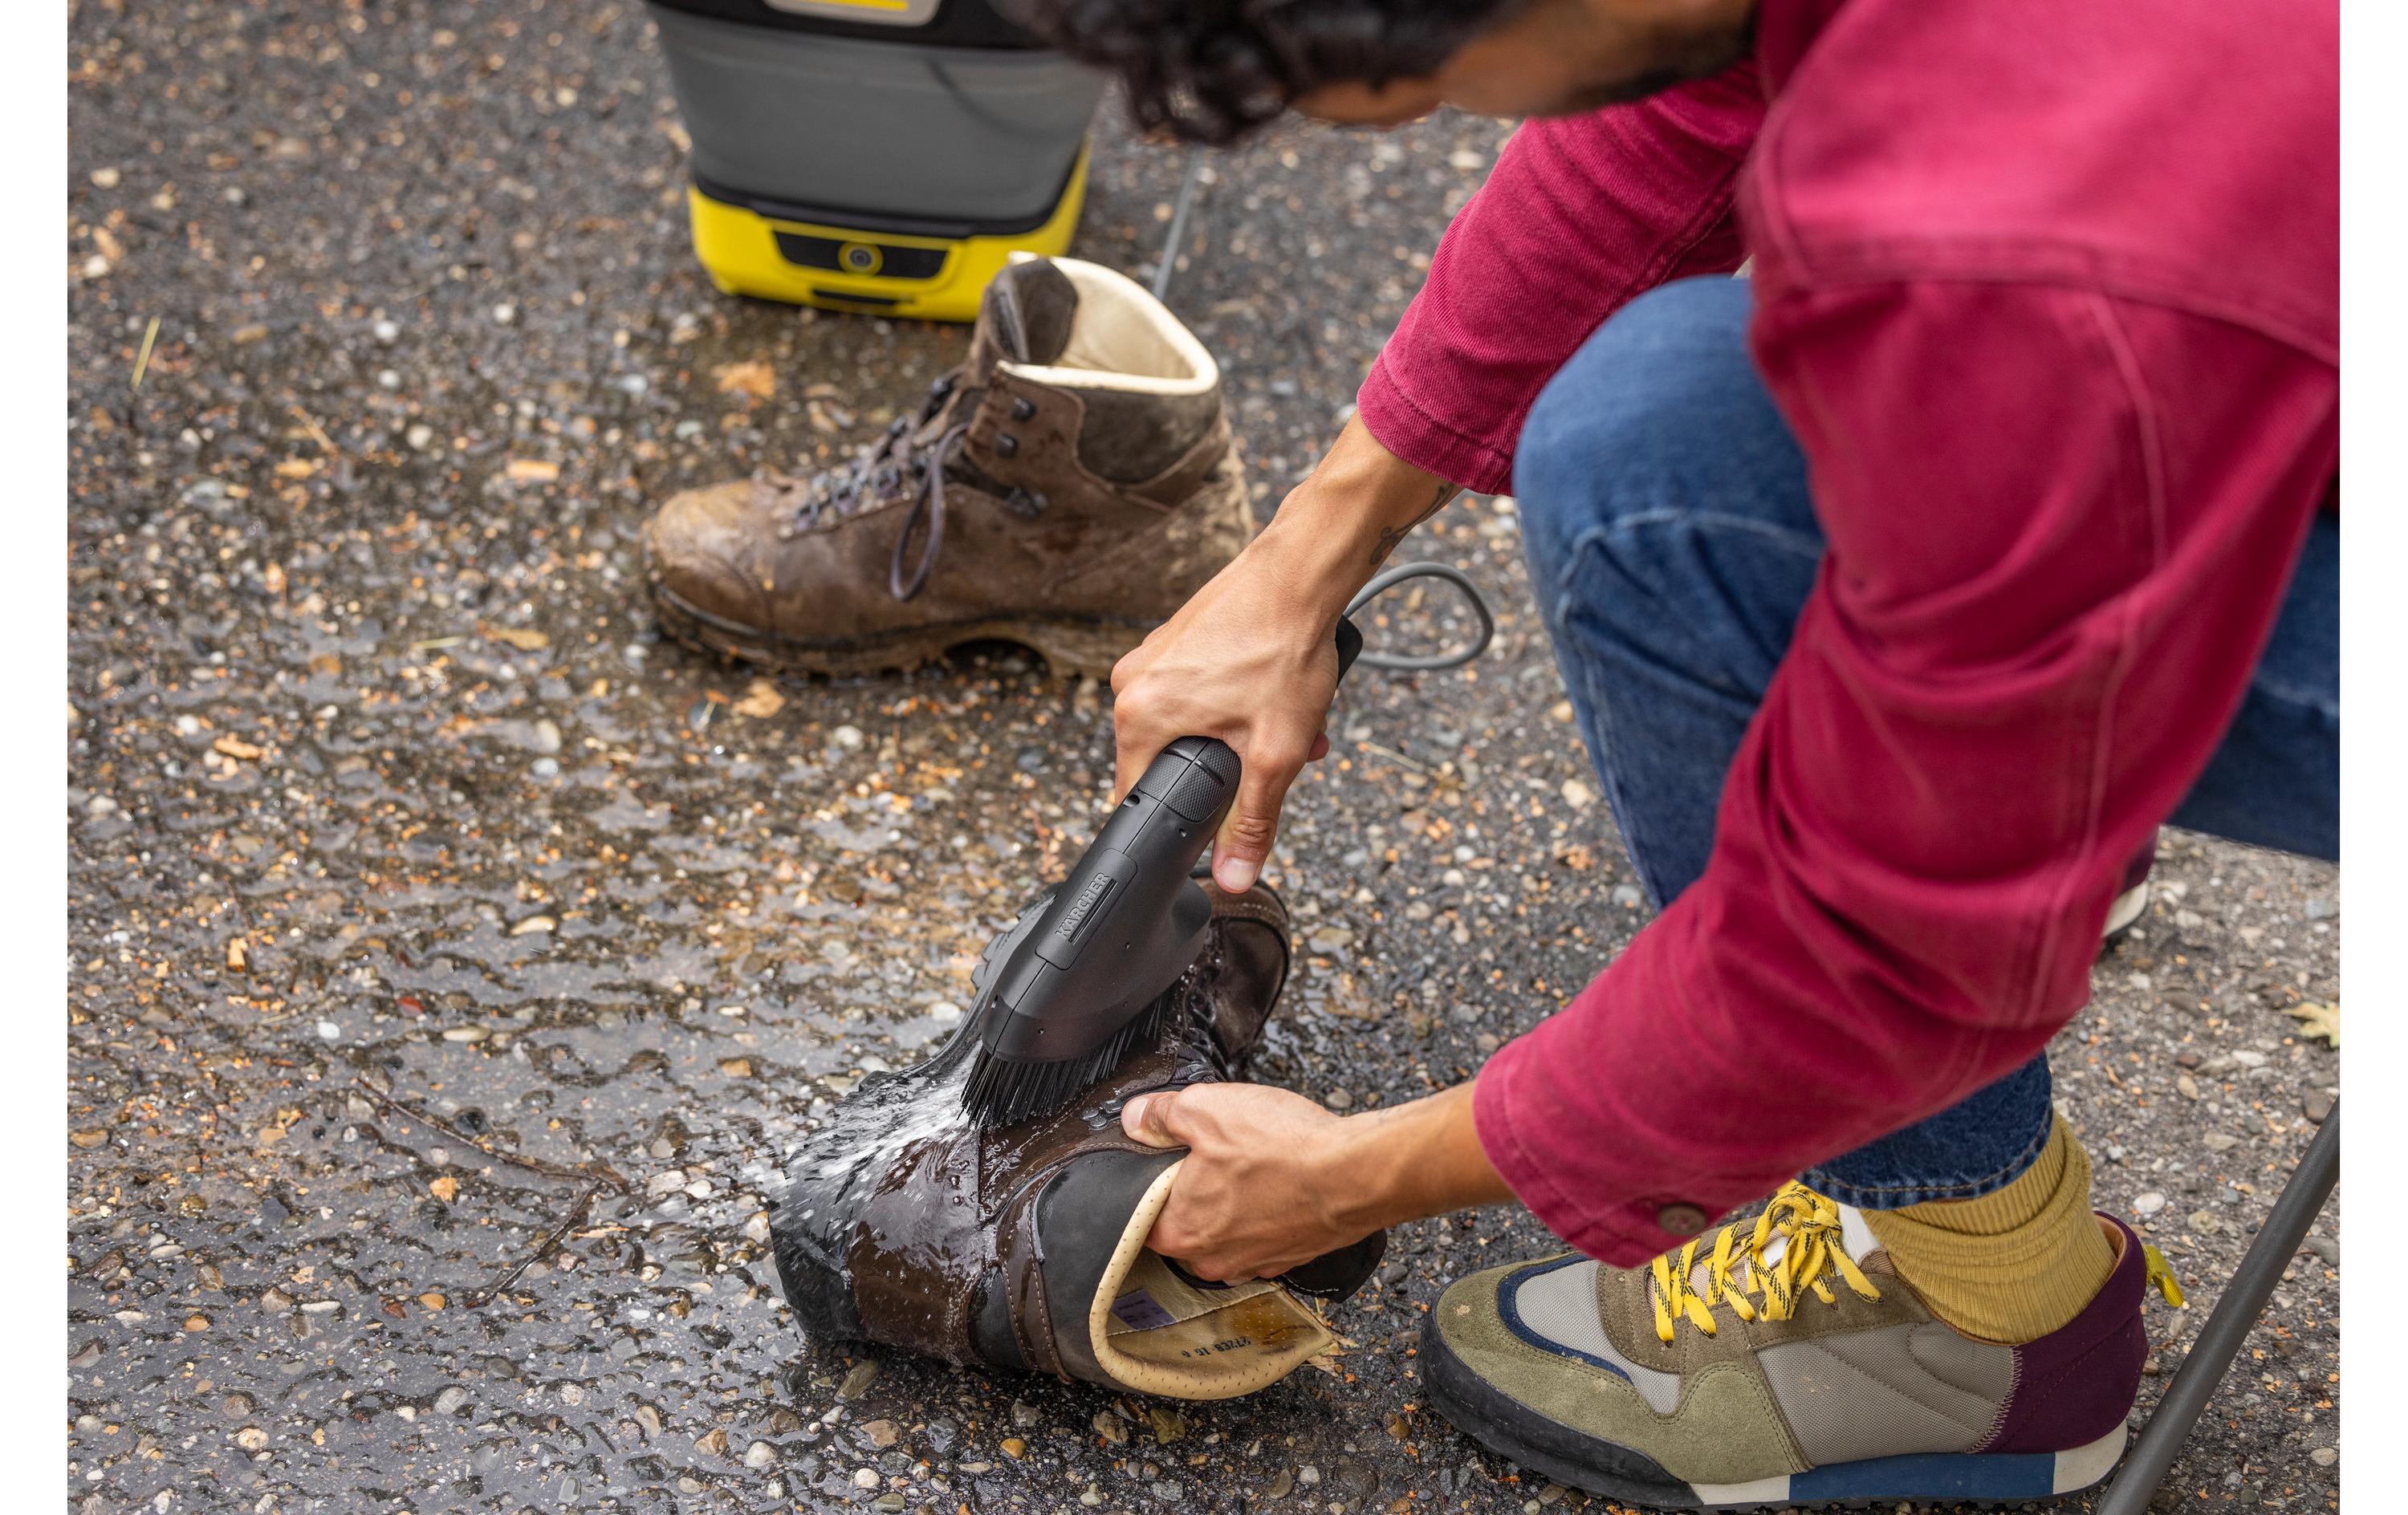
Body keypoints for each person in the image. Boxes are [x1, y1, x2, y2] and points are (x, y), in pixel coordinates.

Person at [1007, 0, 2338, 1503]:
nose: (1418, 128)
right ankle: (2019, 758)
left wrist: (1349, 1179)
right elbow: (1672, 113)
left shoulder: (1995, 254)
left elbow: (1866, 964)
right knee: (1672, 416)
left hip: (2146, 321)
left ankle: (1986, 1329)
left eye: (1417, 93)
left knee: (1666, 502)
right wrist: (1296, 565)